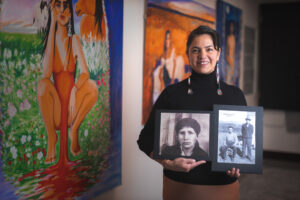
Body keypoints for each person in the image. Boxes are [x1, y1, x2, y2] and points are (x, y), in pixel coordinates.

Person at [138, 25, 247, 199]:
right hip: (179, 189)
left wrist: (240, 165)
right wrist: (168, 163)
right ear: (188, 55)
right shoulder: (171, 94)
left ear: (218, 53)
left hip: (223, 190)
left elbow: (243, 146)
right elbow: (144, 140)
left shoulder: (235, 95)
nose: (203, 55)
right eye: (196, 50)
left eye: (209, 49)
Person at [37, 0, 98, 164]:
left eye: (65, 6)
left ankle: (74, 129)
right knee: (43, 85)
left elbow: (85, 73)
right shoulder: (51, 41)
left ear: (70, 13)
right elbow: (46, 73)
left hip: (72, 108)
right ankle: (52, 136)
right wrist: (52, 27)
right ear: (53, 10)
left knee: (92, 87)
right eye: (58, 5)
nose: (62, 9)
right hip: (56, 112)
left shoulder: (74, 40)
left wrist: (74, 90)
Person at [152, 30, 185, 103]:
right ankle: (157, 98)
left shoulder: (173, 50)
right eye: (166, 39)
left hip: (172, 70)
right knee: (156, 73)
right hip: (165, 71)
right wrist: (161, 82)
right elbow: (161, 67)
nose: (167, 41)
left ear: (170, 40)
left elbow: (175, 64)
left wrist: (172, 79)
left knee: (179, 60)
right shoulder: (164, 53)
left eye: (169, 38)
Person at [225, 21, 236, 85]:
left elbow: (234, 50)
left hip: (232, 59)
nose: (231, 28)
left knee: (232, 77)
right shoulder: (228, 38)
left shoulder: (233, 38)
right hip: (229, 59)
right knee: (228, 77)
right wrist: (227, 58)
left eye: (232, 27)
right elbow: (226, 50)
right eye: (230, 27)